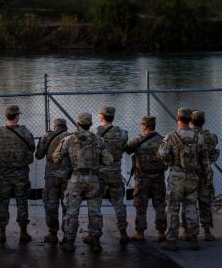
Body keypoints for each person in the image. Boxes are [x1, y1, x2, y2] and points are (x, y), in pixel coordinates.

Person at [53, 113, 113, 252]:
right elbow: (109, 160)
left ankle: (69, 242)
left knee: (72, 211)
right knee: (95, 211)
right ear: (90, 124)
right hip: (93, 179)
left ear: (78, 123)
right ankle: (96, 240)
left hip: (76, 179)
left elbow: (56, 158)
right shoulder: (99, 140)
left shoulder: (68, 140)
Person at [158, 108, 211, 251]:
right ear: (190, 120)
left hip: (176, 177)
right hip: (193, 177)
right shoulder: (198, 137)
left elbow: (162, 154)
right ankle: (193, 239)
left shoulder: (171, 137)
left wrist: (170, 162)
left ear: (178, 119)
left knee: (173, 209)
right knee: (191, 207)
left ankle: (171, 241)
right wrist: (208, 176)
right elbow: (205, 159)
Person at [0, 105, 35, 243]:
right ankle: (23, 233)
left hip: (4, 174)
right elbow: (32, 147)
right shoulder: (25, 132)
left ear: (7, 116)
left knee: (3, 203)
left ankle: (2, 233)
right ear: (17, 116)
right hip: (21, 174)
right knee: (22, 203)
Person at [180, 110, 219, 241]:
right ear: (203, 122)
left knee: (188, 202)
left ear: (191, 121)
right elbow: (213, 153)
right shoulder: (211, 137)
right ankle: (207, 231)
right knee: (205, 202)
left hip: (189, 173)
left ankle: (186, 231)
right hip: (205, 173)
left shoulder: (188, 135)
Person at [126, 116, 166, 242]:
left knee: (140, 206)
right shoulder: (162, 140)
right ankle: (161, 232)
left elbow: (127, 148)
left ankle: (140, 233)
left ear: (144, 126)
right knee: (159, 205)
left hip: (142, 179)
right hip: (158, 178)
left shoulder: (138, 140)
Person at [96, 106, 130, 244]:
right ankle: (123, 233)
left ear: (102, 116)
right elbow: (124, 147)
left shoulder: (95, 132)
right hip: (115, 171)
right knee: (119, 203)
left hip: (100, 172)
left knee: (95, 203)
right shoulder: (122, 133)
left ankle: (95, 235)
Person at [35, 118, 71, 244]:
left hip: (51, 176)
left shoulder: (47, 136)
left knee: (51, 205)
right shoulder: (72, 136)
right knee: (68, 206)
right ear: (65, 127)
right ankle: (67, 235)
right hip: (68, 177)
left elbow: (38, 155)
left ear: (55, 126)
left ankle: (53, 233)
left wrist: (42, 140)